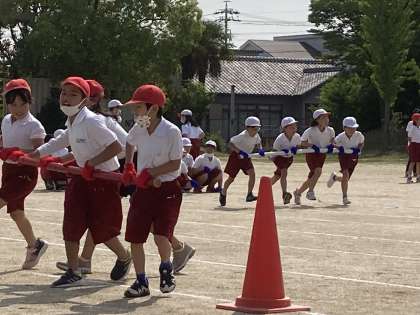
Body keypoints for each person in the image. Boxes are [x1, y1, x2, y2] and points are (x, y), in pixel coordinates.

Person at [31, 76, 131, 287]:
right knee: (71, 223)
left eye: (73, 94)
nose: (66, 98)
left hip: (103, 180)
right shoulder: (73, 120)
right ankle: (74, 270)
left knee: (102, 229)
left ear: (85, 100)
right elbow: (66, 141)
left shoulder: (93, 121)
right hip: (81, 178)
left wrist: (92, 164)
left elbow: (115, 147)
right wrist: (39, 154)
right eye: (64, 93)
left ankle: (124, 257)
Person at [122, 84, 183, 298]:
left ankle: (166, 270)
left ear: (153, 109)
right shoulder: (139, 127)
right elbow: (129, 143)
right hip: (143, 189)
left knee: (160, 235)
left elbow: (175, 163)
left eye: (138, 107)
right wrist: (129, 164)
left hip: (167, 190)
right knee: (135, 237)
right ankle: (141, 282)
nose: (134, 112)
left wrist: (151, 172)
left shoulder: (171, 131)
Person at [0, 78, 48, 269]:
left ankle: (35, 246)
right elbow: (4, 141)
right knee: (16, 213)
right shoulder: (5, 119)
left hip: (25, 173)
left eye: (23, 104)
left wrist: (17, 152)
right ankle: (35, 245)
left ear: (30, 101)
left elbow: (40, 153)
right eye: (13, 104)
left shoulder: (34, 125)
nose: (18, 108)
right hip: (8, 170)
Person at [219, 116, 265, 206]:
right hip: (236, 157)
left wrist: (260, 149)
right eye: (253, 128)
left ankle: (249, 194)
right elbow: (230, 143)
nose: (256, 130)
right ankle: (223, 192)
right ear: (247, 127)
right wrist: (239, 151)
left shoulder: (256, 135)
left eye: (257, 128)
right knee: (231, 178)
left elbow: (259, 142)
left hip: (246, 157)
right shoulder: (241, 136)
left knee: (252, 173)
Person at [294, 109, 335, 205]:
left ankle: (298, 192)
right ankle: (310, 192)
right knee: (318, 172)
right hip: (312, 154)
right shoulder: (310, 130)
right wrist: (312, 145)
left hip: (322, 154)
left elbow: (332, 140)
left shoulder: (330, 130)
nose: (326, 119)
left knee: (312, 177)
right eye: (323, 117)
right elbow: (302, 142)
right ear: (317, 119)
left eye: (327, 117)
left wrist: (331, 145)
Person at [326, 117, 365, 205]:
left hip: (354, 156)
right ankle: (345, 197)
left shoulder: (359, 135)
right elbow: (333, 144)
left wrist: (358, 149)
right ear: (344, 128)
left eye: (354, 128)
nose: (352, 130)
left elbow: (362, 142)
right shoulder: (341, 136)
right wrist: (340, 148)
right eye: (350, 128)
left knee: (346, 178)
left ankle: (335, 177)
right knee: (346, 174)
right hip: (343, 156)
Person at [270, 117, 301, 205]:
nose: (294, 129)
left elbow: (299, 145)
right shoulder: (280, 138)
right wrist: (282, 151)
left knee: (277, 176)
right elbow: (274, 151)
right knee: (284, 172)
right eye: (291, 127)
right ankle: (284, 194)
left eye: (295, 126)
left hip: (289, 158)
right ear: (284, 129)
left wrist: (296, 148)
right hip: (279, 157)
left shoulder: (297, 136)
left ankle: (265, 187)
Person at [405, 108, 420, 178]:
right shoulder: (411, 126)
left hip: (418, 144)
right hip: (413, 144)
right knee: (412, 160)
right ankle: (408, 175)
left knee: (418, 161)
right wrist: (409, 145)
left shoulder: (419, 127)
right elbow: (409, 137)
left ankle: (418, 175)